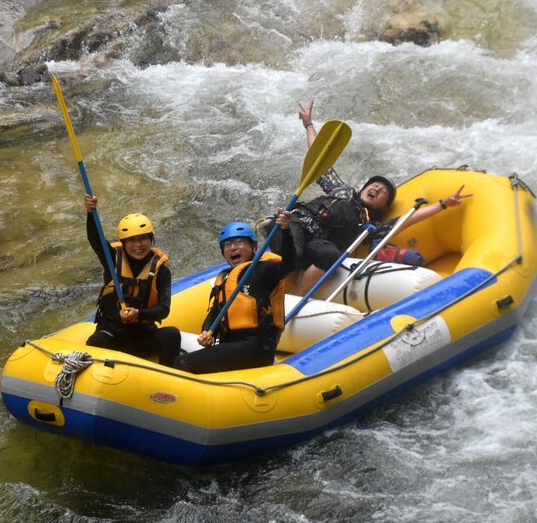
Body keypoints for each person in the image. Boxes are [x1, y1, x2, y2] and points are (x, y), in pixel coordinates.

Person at [281, 100, 471, 295]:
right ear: (363, 189)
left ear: (383, 206)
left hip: (318, 244)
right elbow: (320, 159)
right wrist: (308, 124)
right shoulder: (342, 192)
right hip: (297, 224)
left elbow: (407, 220)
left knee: (330, 255)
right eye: (374, 185)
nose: (377, 188)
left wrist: (443, 204)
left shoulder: (371, 227)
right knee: (291, 250)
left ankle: (293, 298)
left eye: (383, 192)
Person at [173, 211, 294, 374]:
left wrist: (285, 231)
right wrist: (207, 332)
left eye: (239, 242)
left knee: (182, 362)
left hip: (256, 346)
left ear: (254, 247)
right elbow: (216, 312)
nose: (233, 247)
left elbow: (289, 264)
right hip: (231, 345)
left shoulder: (264, 269)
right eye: (227, 244)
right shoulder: (225, 278)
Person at [84, 194, 181, 367]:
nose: (138, 245)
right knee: (95, 340)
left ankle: (169, 382)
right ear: (123, 242)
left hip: (143, 335)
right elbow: (95, 239)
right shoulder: (112, 258)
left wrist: (139, 314)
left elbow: (163, 310)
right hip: (112, 333)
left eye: (143, 238)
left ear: (151, 239)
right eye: (132, 240)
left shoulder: (162, 271)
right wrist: (91, 213)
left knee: (172, 334)